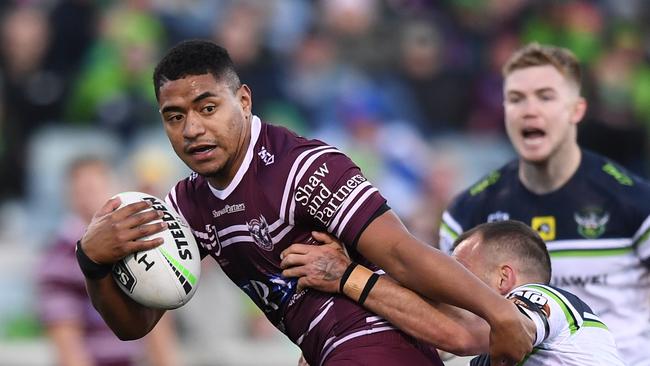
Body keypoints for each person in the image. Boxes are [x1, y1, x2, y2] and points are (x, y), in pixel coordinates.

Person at [76, 40, 533, 366]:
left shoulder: (304, 168)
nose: (192, 128)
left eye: (207, 108)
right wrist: (93, 262)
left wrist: (499, 313)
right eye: (175, 117)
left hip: (377, 348)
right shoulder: (187, 203)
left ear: (244, 100)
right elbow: (134, 326)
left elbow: (401, 253)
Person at [438, 43, 650, 366]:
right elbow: (452, 318)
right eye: (515, 99)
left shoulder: (636, 203)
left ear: (577, 109)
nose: (529, 110)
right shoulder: (468, 211)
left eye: (545, 96)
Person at [279, 221, 625, 365]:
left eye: (461, 273)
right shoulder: (482, 360)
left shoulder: (547, 300)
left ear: (505, 278)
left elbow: (476, 333)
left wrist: (349, 277)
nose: (446, 287)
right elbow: (433, 335)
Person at [36, 157, 179, 366]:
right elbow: (68, 347)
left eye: (94, 189)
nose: (87, 199)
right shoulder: (58, 260)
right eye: (80, 192)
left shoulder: (138, 247)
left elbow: (159, 332)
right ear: (69, 198)